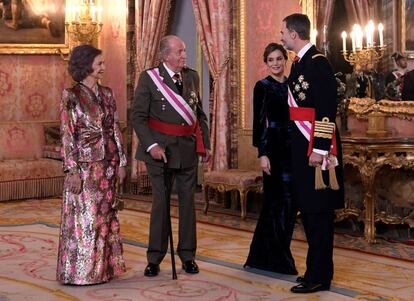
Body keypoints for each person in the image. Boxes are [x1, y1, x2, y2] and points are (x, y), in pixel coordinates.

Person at [132, 35, 211, 277]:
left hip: (187, 150)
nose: (184, 55)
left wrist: (205, 144)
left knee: (188, 205)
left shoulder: (192, 76)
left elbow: (199, 114)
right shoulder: (149, 78)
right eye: (179, 51)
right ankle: (154, 258)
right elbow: (138, 117)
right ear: (165, 55)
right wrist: (151, 145)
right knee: (161, 205)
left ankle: (188, 256)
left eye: (184, 51)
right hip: (160, 152)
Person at [280, 13, 344, 293]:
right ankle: (313, 271)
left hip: (317, 150)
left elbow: (327, 109)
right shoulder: (299, 63)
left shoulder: (318, 64)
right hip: (301, 147)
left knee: (318, 213)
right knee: (308, 211)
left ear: (294, 34)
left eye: (283, 32)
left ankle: (319, 276)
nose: (280, 36)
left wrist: (318, 149)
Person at [56, 44, 127, 285]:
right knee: (84, 219)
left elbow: (115, 128)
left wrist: (122, 162)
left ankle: (101, 271)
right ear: (86, 66)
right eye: (100, 64)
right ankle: (80, 273)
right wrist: (72, 169)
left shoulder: (107, 93)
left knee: (103, 219)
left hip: (107, 164)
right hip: (84, 166)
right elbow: (67, 134)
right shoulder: (71, 95)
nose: (103, 68)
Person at [244, 43, 297, 275]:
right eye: (271, 60)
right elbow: (259, 122)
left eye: (279, 59)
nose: (275, 63)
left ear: (285, 60)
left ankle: (270, 254)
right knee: (275, 202)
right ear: (266, 63)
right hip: (273, 149)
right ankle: (275, 258)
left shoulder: (293, 85)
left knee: (290, 204)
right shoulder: (262, 86)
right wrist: (262, 154)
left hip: (294, 148)